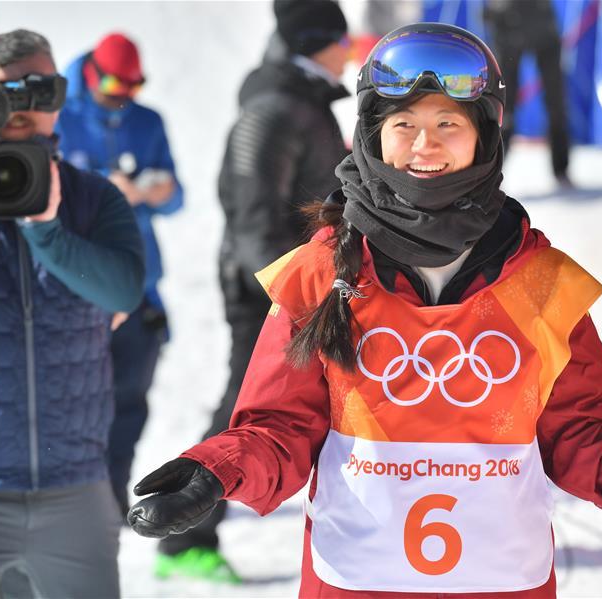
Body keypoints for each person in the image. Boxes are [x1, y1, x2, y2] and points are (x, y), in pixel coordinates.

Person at [128, 23, 602, 596]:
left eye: (448, 124)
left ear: (484, 134)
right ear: (371, 135)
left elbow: (583, 437)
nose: (424, 144)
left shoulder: (541, 282)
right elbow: (278, 427)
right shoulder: (320, 271)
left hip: (502, 585)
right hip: (354, 584)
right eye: (403, 124)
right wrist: (212, 472)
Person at [150, 0, 350, 582]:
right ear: (319, 43)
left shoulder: (305, 101)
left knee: (272, 408)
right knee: (246, 408)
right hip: (269, 292)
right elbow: (253, 215)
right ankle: (182, 536)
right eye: (341, 40)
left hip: (302, 290)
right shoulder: (275, 108)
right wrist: (291, 298)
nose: (349, 51)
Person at [0, 29, 145, 599]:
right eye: (9, 95)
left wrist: (47, 231)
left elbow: (125, 290)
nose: (26, 110)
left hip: (75, 488)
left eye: (43, 91)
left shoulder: (94, 198)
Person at [55, 31, 184, 519]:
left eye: (133, 88)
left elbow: (177, 197)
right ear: (91, 75)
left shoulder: (147, 122)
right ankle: (67, 505)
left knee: (129, 400)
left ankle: (109, 501)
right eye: (114, 87)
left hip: (137, 286)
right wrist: (98, 192)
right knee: (71, 404)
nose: (123, 97)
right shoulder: (58, 117)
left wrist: (153, 192)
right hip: (77, 288)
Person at [483, 0, 571, 186]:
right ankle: (490, 174)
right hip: (508, 21)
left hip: (541, 23)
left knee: (556, 103)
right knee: (502, 105)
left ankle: (561, 170)